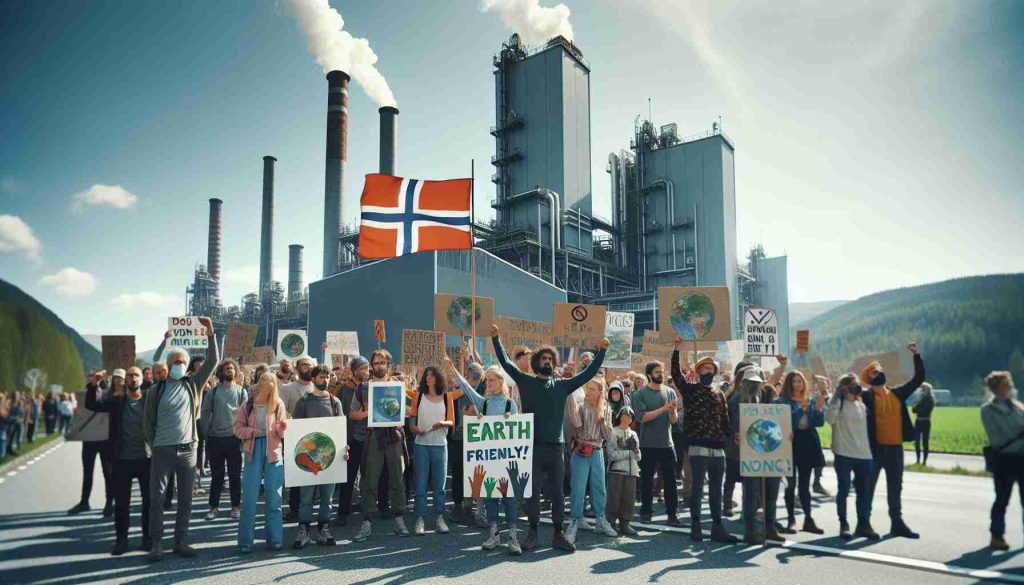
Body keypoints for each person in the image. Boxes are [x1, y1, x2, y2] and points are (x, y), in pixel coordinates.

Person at [491, 323, 608, 553]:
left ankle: (558, 533)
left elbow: (589, 374)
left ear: (554, 364)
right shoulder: (526, 381)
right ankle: (532, 531)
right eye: (543, 358)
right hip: (532, 447)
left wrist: (601, 351)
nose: (546, 361)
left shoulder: (563, 386)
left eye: (550, 359)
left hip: (557, 448)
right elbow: (506, 362)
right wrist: (496, 338)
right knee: (532, 492)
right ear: (536, 363)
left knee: (556, 492)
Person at [144, 317, 219, 561]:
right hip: (162, 449)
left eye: (183, 362)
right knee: (156, 499)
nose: (179, 364)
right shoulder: (157, 390)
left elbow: (213, 361)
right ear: (169, 365)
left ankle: (181, 541)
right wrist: (154, 444)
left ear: (187, 366)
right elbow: (148, 422)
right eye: (176, 362)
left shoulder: (194, 384)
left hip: (188, 450)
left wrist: (210, 333)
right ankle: (157, 543)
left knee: (185, 500)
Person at [447, 361, 522, 554]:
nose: (489, 384)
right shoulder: (484, 403)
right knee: (490, 498)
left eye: (492, 380)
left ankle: (513, 538)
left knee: (509, 498)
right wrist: (453, 369)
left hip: (505, 459)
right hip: (489, 459)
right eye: (487, 380)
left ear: (501, 381)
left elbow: (516, 432)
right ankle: (494, 535)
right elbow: (466, 388)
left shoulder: (510, 404)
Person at [670, 338, 737, 543]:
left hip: (718, 448)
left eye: (711, 369)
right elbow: (676, 375)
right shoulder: (690, 390)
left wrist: (732, 435)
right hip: (697, 446)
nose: (708, 371)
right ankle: (696, 525)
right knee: (697, 488)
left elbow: (724, 419)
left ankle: (717, 526)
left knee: (716, 488)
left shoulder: (719, 394)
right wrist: (676, 350)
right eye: (704, 369)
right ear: (698, 372)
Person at [861, 341, 925, 539]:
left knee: (895, 488)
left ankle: (897, 523)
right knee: (867, 488)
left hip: (895, 449)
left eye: (879, 370)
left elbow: (919, 379)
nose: (878, 372)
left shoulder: (898, 393)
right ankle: (863, 523)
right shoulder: (865, 397)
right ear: (868, 379)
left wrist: (916, 356)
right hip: (874, 451)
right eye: (873, 372)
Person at [86, 367, 152, 554]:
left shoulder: (149, 401)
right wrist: (93, 383)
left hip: (145, 459)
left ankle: (147, 538)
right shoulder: (116, 402)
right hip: (121, 460)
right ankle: (121, 541)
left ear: (142, 379)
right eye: (129, 376)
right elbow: (92, 405)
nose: (132, 379)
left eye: (136, 375)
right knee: (122, 503)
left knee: (148, 502)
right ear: (125, 380)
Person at [352, 350, 409, 541]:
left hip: (394, 435)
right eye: (376, 363)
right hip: (373, 437)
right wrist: (368, 413)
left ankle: (399, 519)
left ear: (388, 365)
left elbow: (409, 410)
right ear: (371, 365)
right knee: (369, 480)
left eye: (382, 362)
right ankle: (366, 521)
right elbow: (352, 414)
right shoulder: (363, 388)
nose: (379, 366)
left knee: (397, 479)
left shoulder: (398, 386)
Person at [292, 365, 347, 549]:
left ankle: (324, 528)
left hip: (329, 458)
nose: (325, 380)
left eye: (327, 376)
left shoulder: (335, 402)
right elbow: (296, 434)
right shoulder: (303, 402)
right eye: (321, 376)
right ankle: (304, 530)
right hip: (308, 460)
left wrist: (344, 448)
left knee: (327, 498)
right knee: (306, 498)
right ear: (313, 378)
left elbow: (340, 431)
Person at [234, 372, 288, 553]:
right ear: (259, 383)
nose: (268, 384)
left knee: (275, 497)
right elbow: (237, 428)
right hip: (253, 449)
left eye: (271, 382)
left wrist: (283, 428)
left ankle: (275, 539)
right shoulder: (248, 405)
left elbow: (283, 432)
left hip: (273, 452)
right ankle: (245, 542)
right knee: (249, 497)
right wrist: (251, 431)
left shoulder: (278, 404)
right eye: (265, 381)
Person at [731, 366, 785, 544]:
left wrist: (785, 433)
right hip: (748, 452)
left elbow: (776, 420)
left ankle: (769, 526)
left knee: (771, 491)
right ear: (743, 382)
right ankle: (751, 530)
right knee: (751, 492)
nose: (753, 384)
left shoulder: (768, 397)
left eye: (757, 381)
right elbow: (730, 421)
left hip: (769, 451)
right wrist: (735, 433)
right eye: (749, 381)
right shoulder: (736, 399)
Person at [826, 373, 879, 541]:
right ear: (844, 388)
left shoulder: (861, 405)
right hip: (844, 453)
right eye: (852, 386)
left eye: (857, 386)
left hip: (864, 454)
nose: (856, 389)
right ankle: (844, 524)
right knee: (844, 489)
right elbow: (830, 419)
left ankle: (863, 524)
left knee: (864, 491)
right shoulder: (837, 404)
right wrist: (839, 397)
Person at [775, 369, 827, 534]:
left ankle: (808, 519)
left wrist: (818, 409)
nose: (798, 384)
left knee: (805, 485)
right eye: (794, 381)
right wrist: (801, 409)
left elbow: (818, 423)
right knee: (791, 484)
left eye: (800, 381)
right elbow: (787, 421)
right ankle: (791, 520)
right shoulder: (781, 401)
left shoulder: (810, 400)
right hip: (790, 443)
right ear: (789, 384)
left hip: (808, 442)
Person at [566, 377, 618, 544]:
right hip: (581, 451)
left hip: (597, 451)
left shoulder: (606, 409)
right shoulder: (581, 407)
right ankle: (575, 520)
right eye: (587, 388)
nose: (588, 391)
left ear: (600, 392)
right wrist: (571, 402)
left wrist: (600, 418)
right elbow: (577, 424)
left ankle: (601, 520)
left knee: (599, 487)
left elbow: (608, 436)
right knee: (578, 488)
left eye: (592, 389)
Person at [632, 361, 682, 527]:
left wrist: (672, 411)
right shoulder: (639, 394)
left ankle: (672, 515)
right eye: (656, 372)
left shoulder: (670, 392)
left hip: (667, 444)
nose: (660, 374)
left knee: (670, 482)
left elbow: (674, 420)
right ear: (648, 375)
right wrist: (663, 408)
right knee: (646, 481)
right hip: (647, 444)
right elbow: (642, 418)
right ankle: (646, 512)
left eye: (661, 371)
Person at [406, 366, 454, 537]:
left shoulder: (447, 397)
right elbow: (412, 419)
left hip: (440, 445)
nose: (428, 377)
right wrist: (413, 428)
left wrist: (443, 423)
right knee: (420, 484)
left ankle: (440, 518)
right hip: (421, 444)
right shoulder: (418, 397)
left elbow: (452, 421)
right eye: (426, 375)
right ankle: (420, 519)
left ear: (438, 378)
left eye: (432, 375)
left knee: (439, 485)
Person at [981, 371, 1024, 551]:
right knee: (1002, 499)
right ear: (997, 388)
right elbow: (997, 439)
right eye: (1007, 385)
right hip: (1005, 460)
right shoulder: (987, 410)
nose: (1010, 388)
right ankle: (996, 535)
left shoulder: (1018, 406)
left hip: (1022, 458)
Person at [201, 358, 248, 522]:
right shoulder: (213, 392)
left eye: (232, 368)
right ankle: (213, 508)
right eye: (226, 368)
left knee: (235, 476)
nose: (229, 370)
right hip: (215, 439)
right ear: (221, 371)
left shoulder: (242, 392)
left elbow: (247, 416)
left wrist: (243, 436)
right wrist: (206, 433)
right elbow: (205, 412)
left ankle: (235, 507)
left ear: (236, 372)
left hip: (234, 439)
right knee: (217, 476)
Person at [68, 372, 117, 518]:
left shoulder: (108, 394)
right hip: (89, 440)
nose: (90, 379)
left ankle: (109, 503)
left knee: (107, 473)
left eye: (94, 378)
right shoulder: (83, 396)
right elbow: (79, 414)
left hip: (105, 439)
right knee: (87, 471)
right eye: (89, 377)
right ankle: (84, 502)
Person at [279, 356, 316, 523]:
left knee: (313, 471)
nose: (307, 368)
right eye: (304, 365)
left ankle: (309, 507)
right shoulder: (287, 389)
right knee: (295, 473)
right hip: (294, 436)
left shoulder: (319, 387)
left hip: (314, 437)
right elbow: (281, 411)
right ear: (297, 368)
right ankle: (294, 509)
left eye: (310, 366)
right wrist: (293, 423)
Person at [605, 405, 640, 535]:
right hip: (616, 471)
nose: (627, 418)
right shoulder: (613, 432)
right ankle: (611, 522)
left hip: (632, 471)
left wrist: (635, 451)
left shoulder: (634, 434)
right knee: (614, 497)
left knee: (629, 498)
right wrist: (628, 452)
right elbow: (611, 455)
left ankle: (625, 523)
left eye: (630, 416)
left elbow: (638, 456)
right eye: (624, 415)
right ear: (620, 416)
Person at [913, 382, 935, 466]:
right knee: (917, 442)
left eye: (924, 389)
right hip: (918, 421)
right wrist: (918, 401)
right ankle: (918, 460)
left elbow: (925, 410)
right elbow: (914, 410)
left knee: (925, 442)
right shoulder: (920, 399)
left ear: (928, 390)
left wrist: (920, 401)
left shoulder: (930, 399)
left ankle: (924, 461)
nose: (922, 391)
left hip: (926, 421)